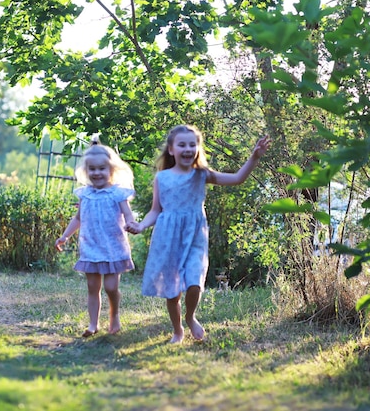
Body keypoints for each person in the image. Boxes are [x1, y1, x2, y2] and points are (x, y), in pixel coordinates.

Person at [127, 125, 271, 343]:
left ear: (198, 149)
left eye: (192, 145)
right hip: (168, 238)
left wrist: (254, 157)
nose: (187, 149)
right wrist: (140, 226)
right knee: (173, 291)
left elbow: (237, 178)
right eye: (182, 145)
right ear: (172, 150)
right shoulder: (162, 178)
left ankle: (190, 316)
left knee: (195, 282)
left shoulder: (201, 175)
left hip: (195, 236)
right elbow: (156, 210)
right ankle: (177, 330)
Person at [55, 133, 136, 337]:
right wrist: (65, 236)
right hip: (91, 246)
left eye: (102, 168)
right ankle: (93, 324)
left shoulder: (117, 193)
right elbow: (78, 218)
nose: (97, 173)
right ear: (86, 170)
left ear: (111, 170)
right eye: (92, 169)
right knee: (93, 286)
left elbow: (127, 214)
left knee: (110, 287)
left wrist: (132, 224)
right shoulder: (85, 193)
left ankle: (114, 315)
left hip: (112, 246)